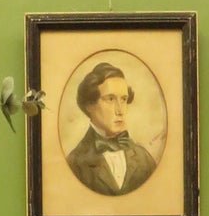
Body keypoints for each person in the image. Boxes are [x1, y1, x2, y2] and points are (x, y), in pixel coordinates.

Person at [65, 60, 160, 196]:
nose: (120, 110)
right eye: (110, 99)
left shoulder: (144, 159)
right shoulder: (74, 164)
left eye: (123, 99)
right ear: (89, 105)